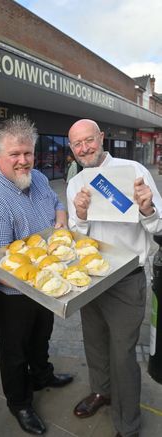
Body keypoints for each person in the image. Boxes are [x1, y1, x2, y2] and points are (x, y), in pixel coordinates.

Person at [0, 116, 73, 436]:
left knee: (42, 332)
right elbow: (1, 266)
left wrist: (60, 220)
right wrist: (52, 278)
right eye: (15, 154)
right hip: (11, 292)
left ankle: (43, 375)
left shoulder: (39, 178)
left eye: (28, 153)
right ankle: (19, 402)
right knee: (14, 348)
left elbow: (58, 202)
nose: (23, 161)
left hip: (43, 281)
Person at [66, 119, 162, 437]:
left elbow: (158, 227)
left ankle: (128, 423)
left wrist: (147, 208)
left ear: (102, 138)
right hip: (91, 278)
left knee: (122, 355)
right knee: (94, 344)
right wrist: (79, 216)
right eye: (77, 144)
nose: (84, 148)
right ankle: (101, 392)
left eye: (89, 140)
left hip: (126, 280)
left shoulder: (134, 171)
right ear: (72, 149)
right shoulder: (74, 183)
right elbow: (77, 236)